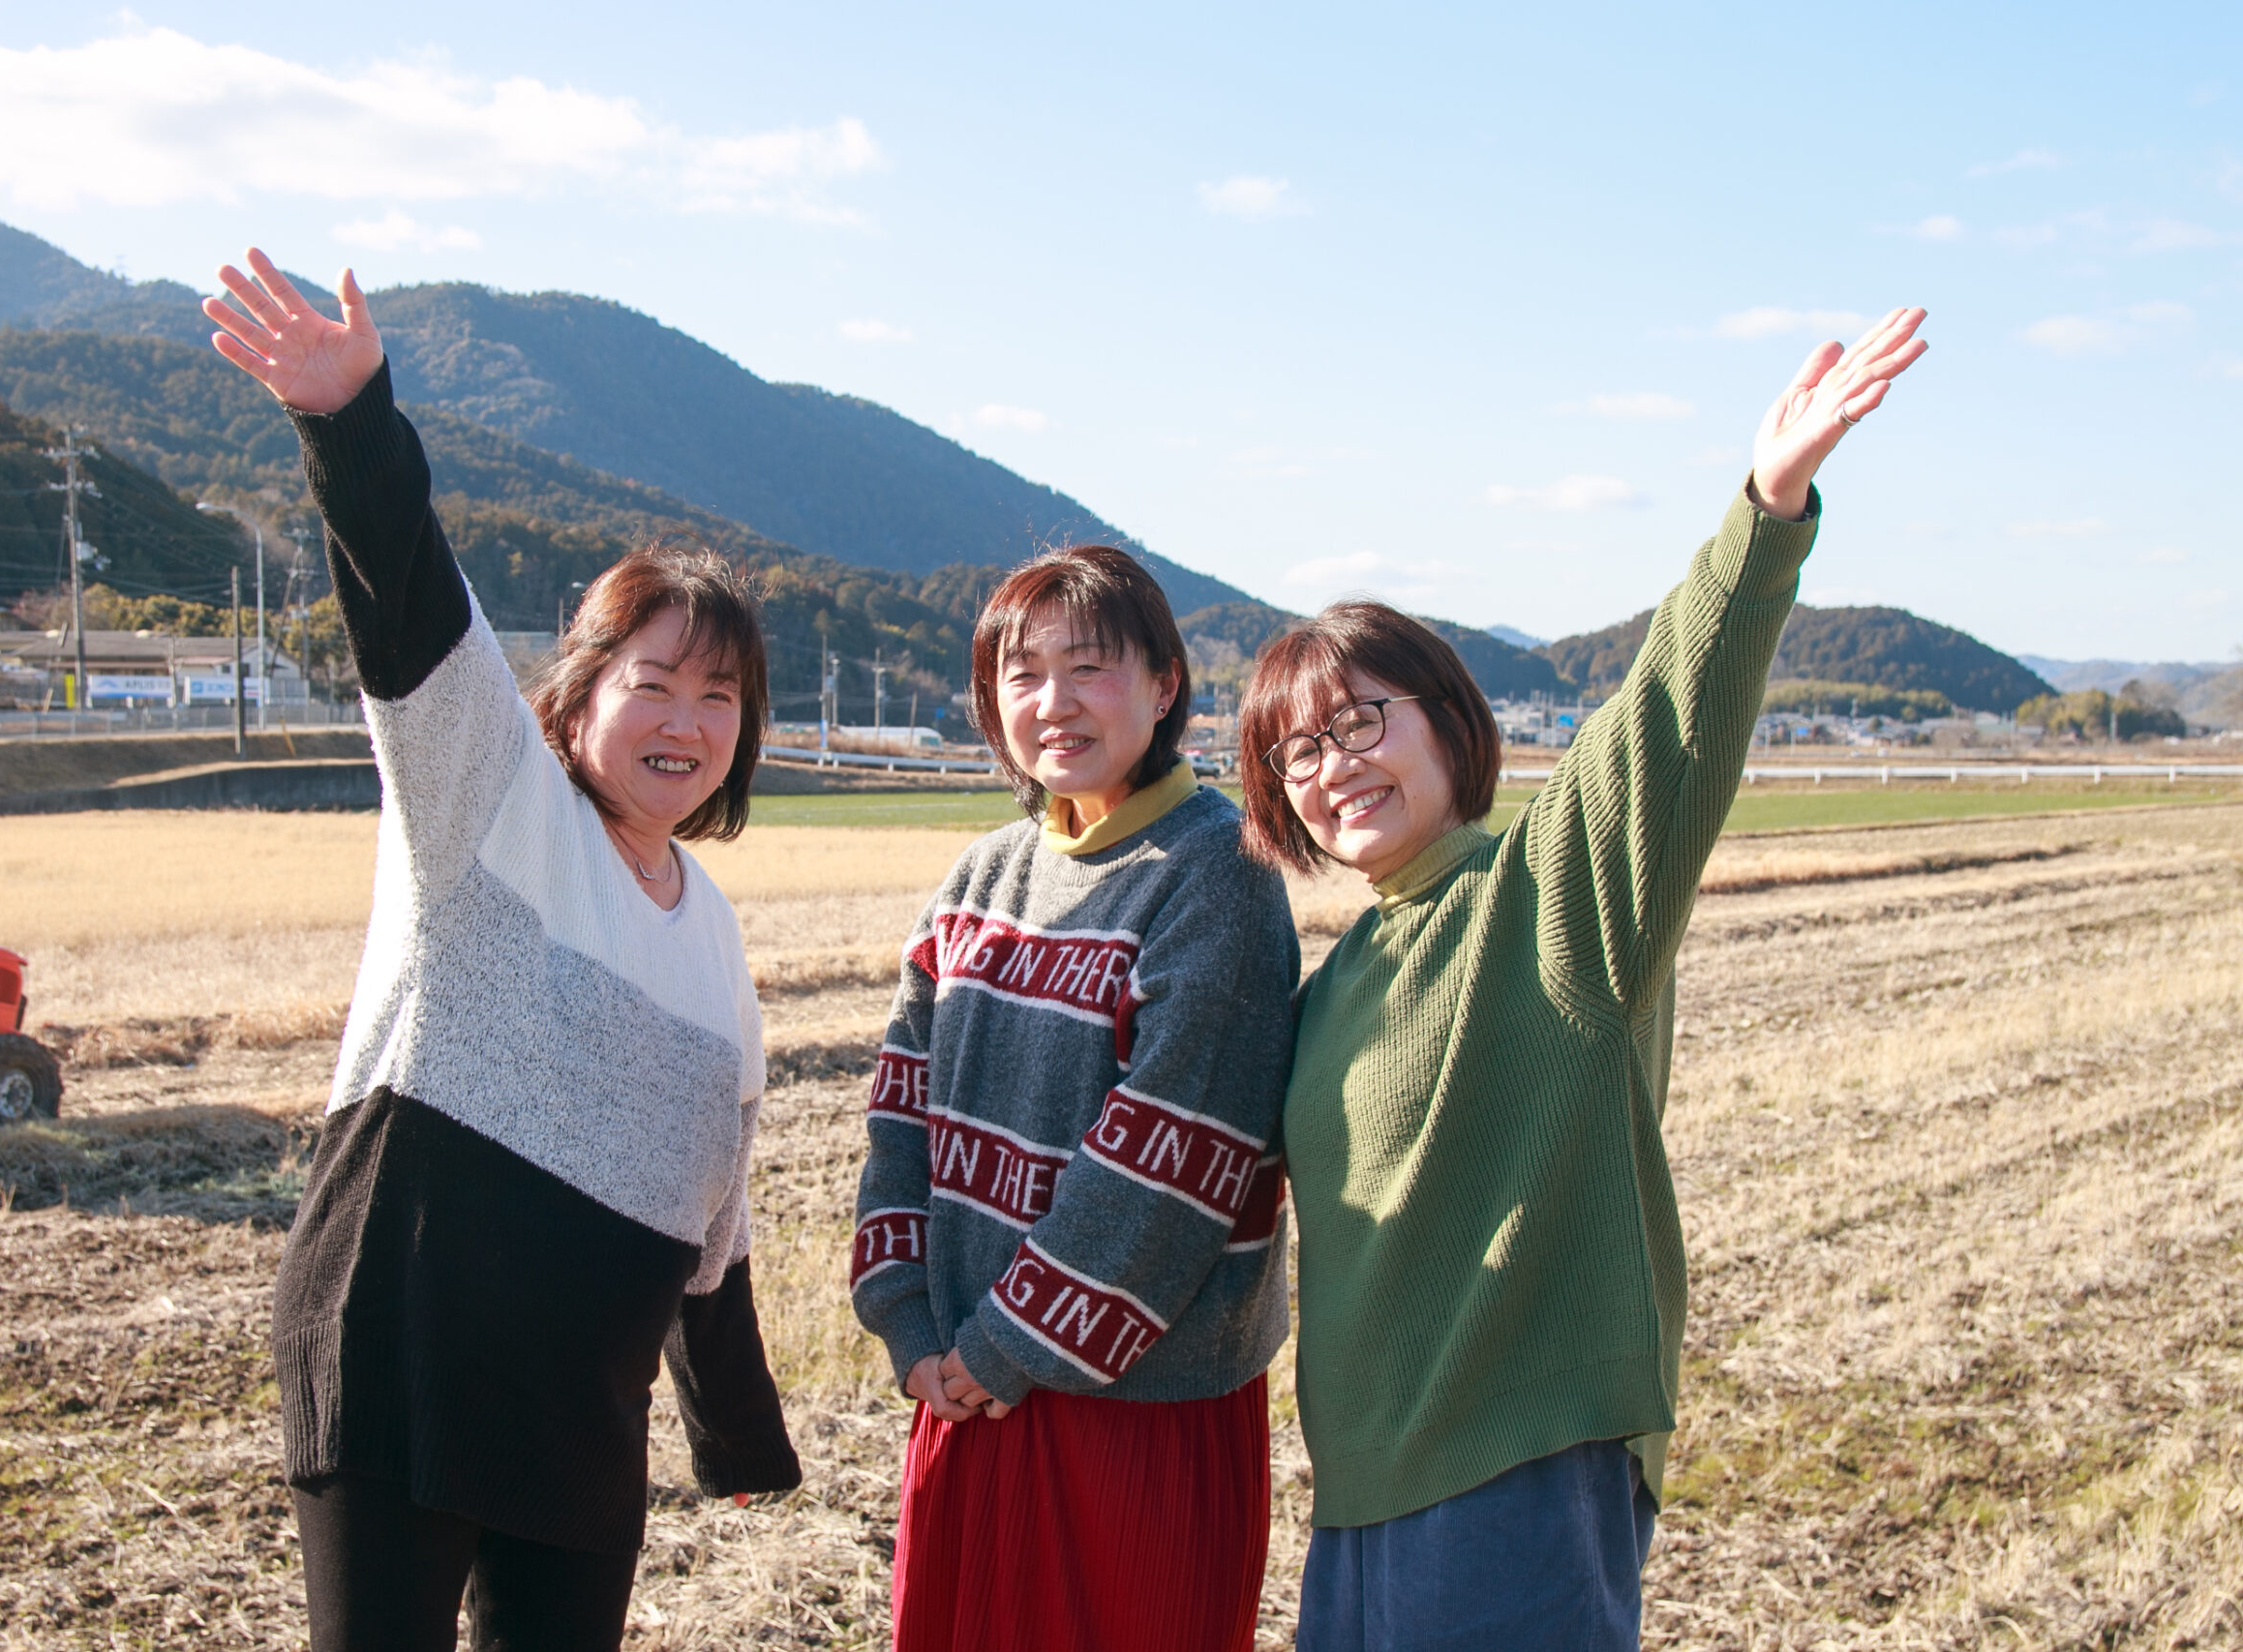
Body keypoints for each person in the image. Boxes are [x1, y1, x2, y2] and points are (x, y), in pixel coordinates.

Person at [1241, 311, 1929, 1650]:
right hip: (1362, 1485)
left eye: (1362, 718)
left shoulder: (1552, 894)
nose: (1334, 764)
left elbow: (1669, 718)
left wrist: (1766, 506)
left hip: (1521, 1449)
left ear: (1449, 719)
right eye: (1297, 752)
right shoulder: (1339, 976)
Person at [203, 251, 801, 1652]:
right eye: (650, 677)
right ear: (577, 695)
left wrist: (735, 1432)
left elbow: (716, 1210)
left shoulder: (711, 932)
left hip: (578, 1401)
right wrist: (354, 422)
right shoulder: (490, 801)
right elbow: (413, 605)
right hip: (409, 1346)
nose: (686, 715)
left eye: (721, 692)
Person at [849, 544, 1300, 1652]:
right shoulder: (981, 876)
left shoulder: (1217, 876)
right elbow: (900, 1104)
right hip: (963, 1383)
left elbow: (1165, 1168)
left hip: (1131, 1412)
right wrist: (909, 1323)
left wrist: (1002, 1349)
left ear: (1161, 686)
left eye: (1089, 668)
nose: (1052, 702)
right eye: (1021, 673)